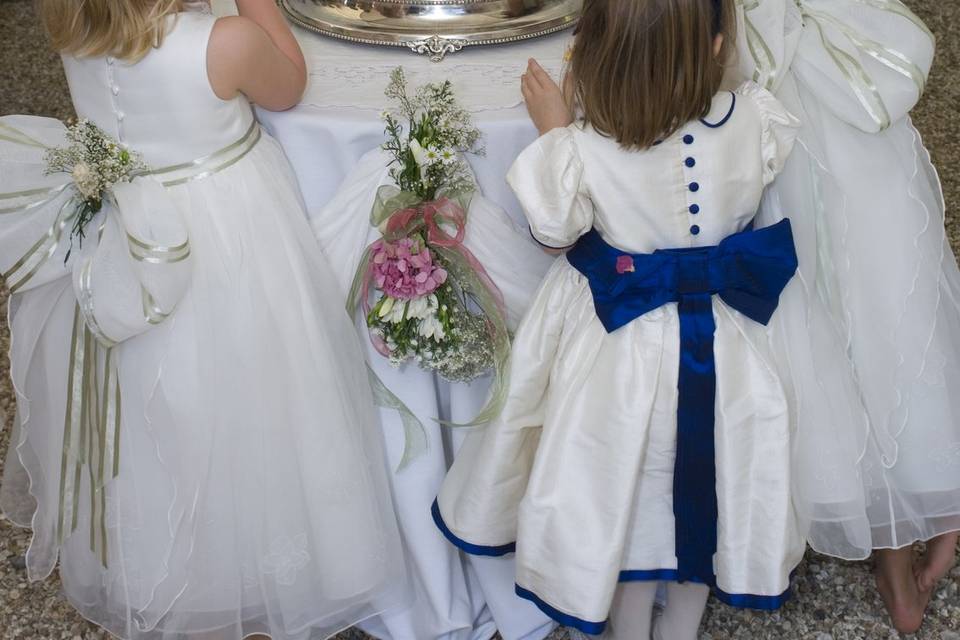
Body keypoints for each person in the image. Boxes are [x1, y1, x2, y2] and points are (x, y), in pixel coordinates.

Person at [430, 0, 857, 636]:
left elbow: (554, 230)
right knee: (704, 495)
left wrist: (554, 128)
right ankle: (680, 627)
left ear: (593, 49)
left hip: (619, 361)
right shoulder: (757, 120)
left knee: (625, 499)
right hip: (727, 351)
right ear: (716, 44)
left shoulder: (583, 146)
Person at [0, 1, 407, 638]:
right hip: (226, 237)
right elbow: (290, 86)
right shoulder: (227, 40)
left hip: (130, 239)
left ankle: (175, 557)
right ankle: (260, 563)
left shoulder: (75, 29)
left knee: (158, 399)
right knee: (255, 389)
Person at [734, 0, 960, 633]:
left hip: (799, 95)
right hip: (841, 95)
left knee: (829, 297)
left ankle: (886, 527)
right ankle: (911, 526)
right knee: (881, 297)